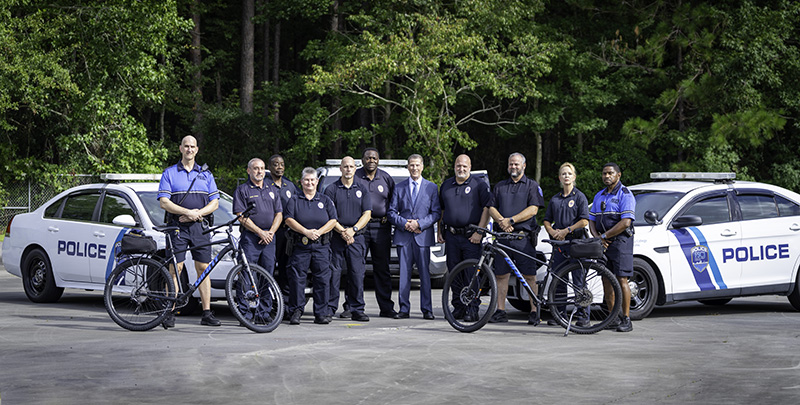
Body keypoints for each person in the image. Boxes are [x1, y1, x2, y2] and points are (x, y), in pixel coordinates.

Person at [157, 135, 220, 327]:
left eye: (192, 146)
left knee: (203, 269)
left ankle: (207, 313)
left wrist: (197, 214)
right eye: (186, 146)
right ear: (180, 148)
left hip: (200, 227)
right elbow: (164, 202)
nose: (189, 149)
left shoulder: (206, 174)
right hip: (177, 227)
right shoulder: (169, 173)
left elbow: (215, 203)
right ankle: (170, 311)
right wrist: (186, 212)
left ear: (197, 149)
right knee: (176, 269)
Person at [488, 152, 545, 325]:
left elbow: (534, 209)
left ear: (524, 166)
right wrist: (502, 222)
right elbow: (491, 207)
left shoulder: (531, 185)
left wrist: (512, 220)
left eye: (516, 164)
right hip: (503, 238)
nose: (513, 167)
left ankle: (535, 311)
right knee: (501, 276)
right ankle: (500, 311)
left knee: (529, 276)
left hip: (523, 239)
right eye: (511, 164)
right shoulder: (500, 186)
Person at [437, 154, 492, 322]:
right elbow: (442, 210)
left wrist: (480, 232)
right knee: (454, 273)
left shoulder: (479, 185)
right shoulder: (446, 185)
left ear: (470, 167)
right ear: (454, 166)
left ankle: (472, 308)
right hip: (452, 236)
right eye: (458, 166)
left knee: (471, 274)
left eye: (464, 166)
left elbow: (487, 209)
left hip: (471, 237)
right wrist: (440, 231)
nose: (461, 169)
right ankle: (459, 307)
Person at [388, 154, 441, 319]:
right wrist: (405, 224)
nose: (414, 168)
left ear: (423, 166)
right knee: (404, 274)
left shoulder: (431, 187)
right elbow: (391, 212)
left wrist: (419, 224)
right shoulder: (399, 187)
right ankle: (404, 309)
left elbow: (436, 213)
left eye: (417, 165)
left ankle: (427, 310)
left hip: (422, 237)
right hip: (404, 237)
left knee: (425, 274)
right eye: (411, 165)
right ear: (408, 167)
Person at [284, 168, 338, 325]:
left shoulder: (325, 200)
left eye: (312, 180)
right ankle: (296, 311)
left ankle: (321, 313)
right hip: (300, 245)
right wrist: (306, 232)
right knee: (297, 280)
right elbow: (288, 220)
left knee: (322, 280)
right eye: (306, 180)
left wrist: (319, 232)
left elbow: (333, 220)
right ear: (301, 182)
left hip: (321, 246)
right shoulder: (294, 200)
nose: (309, 183)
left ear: (316, 182)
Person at [588, 162, 636, 332]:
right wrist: (597, 238)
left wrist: (604, 236)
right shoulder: (599, 195)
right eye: (604, 173)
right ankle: (612, 318)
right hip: (602, 243)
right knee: (606, 279)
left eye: (610, 173)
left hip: (620, 242)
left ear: (618, 175)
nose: (606, 176)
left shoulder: (625, 194)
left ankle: (626, 318)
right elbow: (591, 220)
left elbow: (625, 222)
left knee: (622, 279)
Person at [543, 162, 590, 326]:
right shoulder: (555, 199)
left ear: (574, 177)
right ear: (559, 178)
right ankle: (559, 314)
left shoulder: (579, 197)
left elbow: (584, 221)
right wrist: (552, 232)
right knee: (559, 280)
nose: (566, 176)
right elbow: (547, 220)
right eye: (563, 174)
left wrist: (566, 230)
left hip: (577, 243)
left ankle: (583, 315)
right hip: (559, 244)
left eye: (569, 173)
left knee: (579, 281)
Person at [324, 157, 372, 322]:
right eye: (345, 167)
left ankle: (356, 309)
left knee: (357, 274)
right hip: (336, 237)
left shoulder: (363, 188)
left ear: (355, 168)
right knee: (334, 274)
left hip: (356, 237)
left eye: (351, 166)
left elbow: (367, 214)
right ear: (341, 168)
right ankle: (329, 309)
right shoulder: (331, 189)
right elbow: (329, 215)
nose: (348, 169)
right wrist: (343, 231)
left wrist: (353, 230)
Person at [354, 148, 398, 318]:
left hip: (381, 228)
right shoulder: (355, 177)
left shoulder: (386, 178)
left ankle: (386, 307)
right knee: (356, 269)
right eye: (367, 158)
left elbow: (393, 202)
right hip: (360, 229)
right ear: (362, 160)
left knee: (382, 269)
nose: (371, 160)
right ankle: (352, 306)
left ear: (378, 160)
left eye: (374, 158)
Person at [232, 158, 283, 274]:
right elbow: (240, 216)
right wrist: (260, 232)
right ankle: (247, 293)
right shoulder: (242, 190)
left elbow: (279, 214)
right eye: (256, 168)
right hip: (250, 238)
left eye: (261, 168)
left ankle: (266, 293)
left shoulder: (272, 189)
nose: (259, 171)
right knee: (248, 274)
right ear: (248, 171)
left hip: (269, 238)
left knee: (268, 274)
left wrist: (271, 233)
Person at [267, 154, 299, 309]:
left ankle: (285, 306)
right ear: (269, 167)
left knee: (286, 269)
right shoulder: (264, 184)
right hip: (271, 233)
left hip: (287, 234)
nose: (279, 167)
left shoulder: (289, 185)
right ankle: (269, 304)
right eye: (275, 164)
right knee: (269, 268)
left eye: (281, 164)